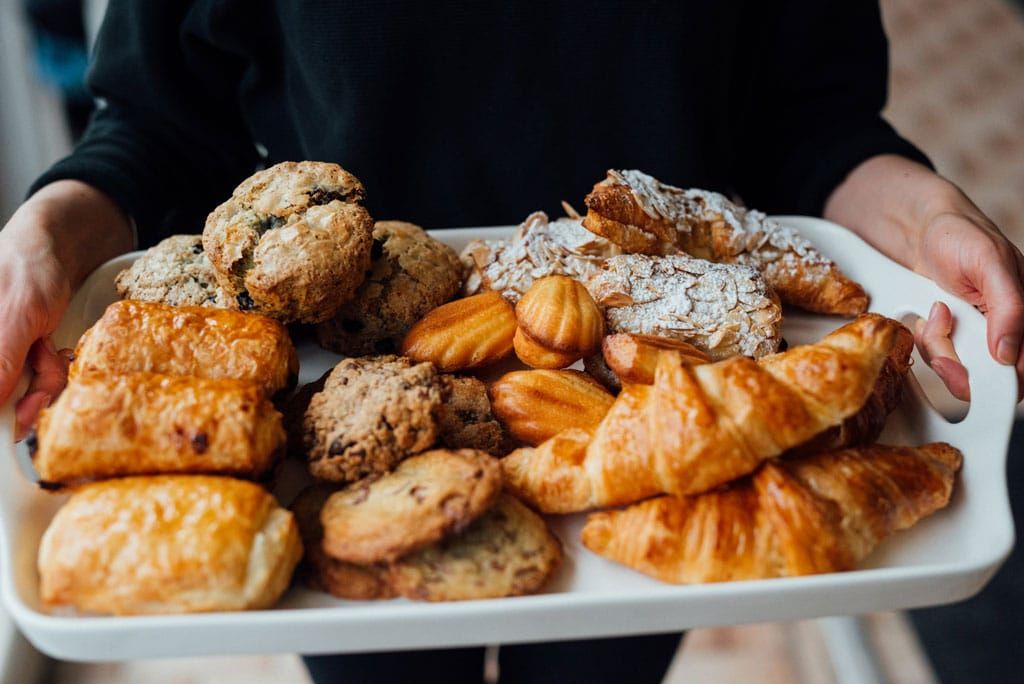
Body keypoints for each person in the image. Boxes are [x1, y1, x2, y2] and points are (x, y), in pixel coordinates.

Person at [1, 2, 1021, 682]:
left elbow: (813, 125)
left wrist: (926, 221)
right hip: (326, 432)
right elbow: (158, 132)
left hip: (650, 437)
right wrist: (47, 235)